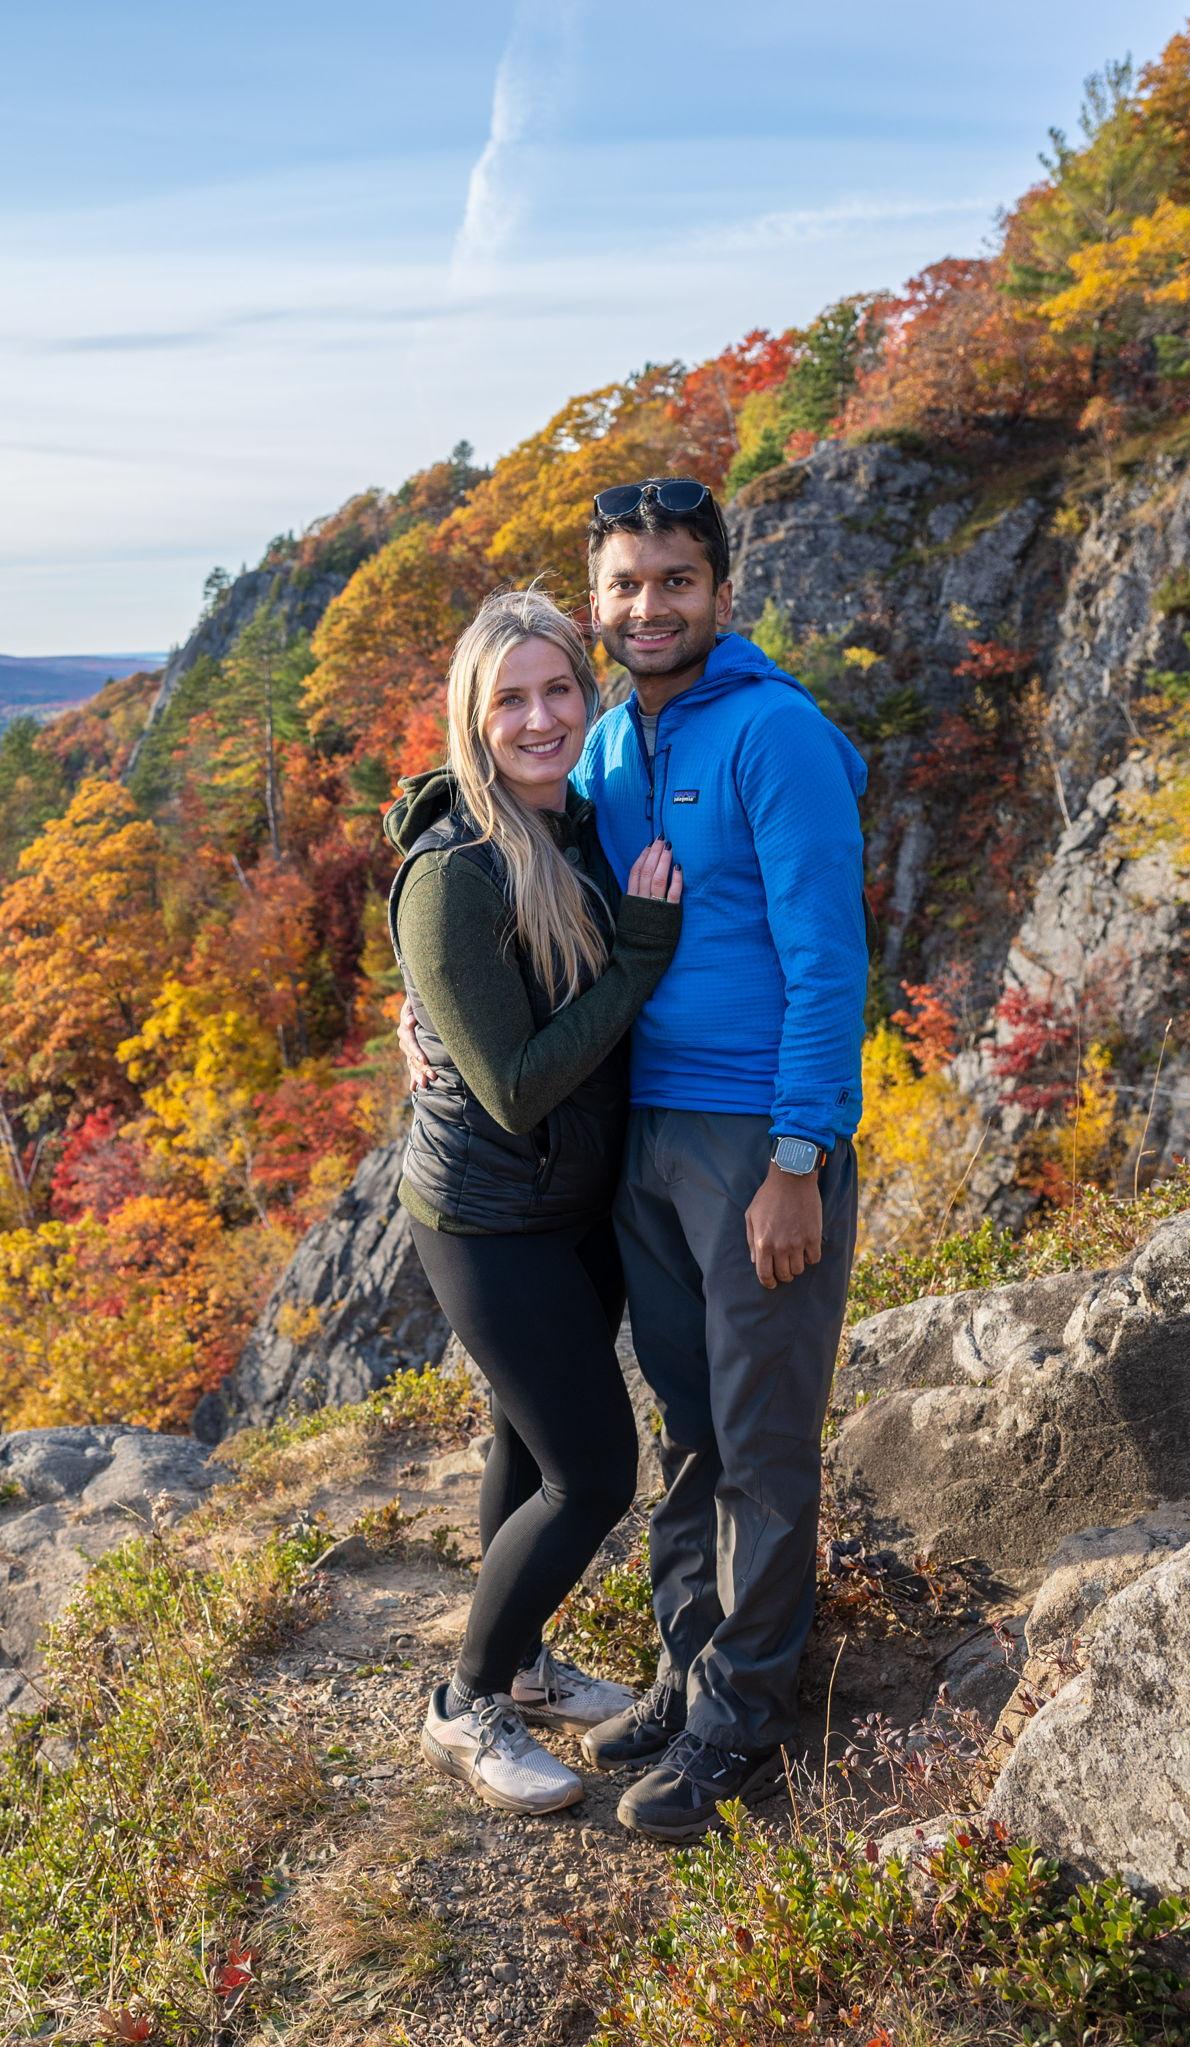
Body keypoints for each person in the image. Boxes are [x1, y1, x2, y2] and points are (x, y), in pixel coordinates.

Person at [401, 479, 869, 1840]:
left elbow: (828, 961)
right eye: (625, 584)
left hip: (754, 1137)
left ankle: (744, 1717)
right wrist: (417, 1004)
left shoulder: (776, 734)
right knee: (687, 1428)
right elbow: (486, 886)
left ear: (721, 590)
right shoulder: (605, 747)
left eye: (676, 580)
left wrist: (798, 1154)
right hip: (639, 1139)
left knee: (760, 1438)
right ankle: (689, 1667)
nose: (649, 606)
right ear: (597, 602)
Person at [387, 586, 684, 1816]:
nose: (538, 716)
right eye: (509, 698)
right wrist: (639, 951)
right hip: (487, 1213)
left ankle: (516, 1665)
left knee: (527, 1438)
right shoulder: (454, 871)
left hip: (576, 1201)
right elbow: (511, 1087)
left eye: (557, 687)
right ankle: (463, 1704)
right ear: (473, 715)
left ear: (586, 692)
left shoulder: (578, 822)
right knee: (594, 1471)